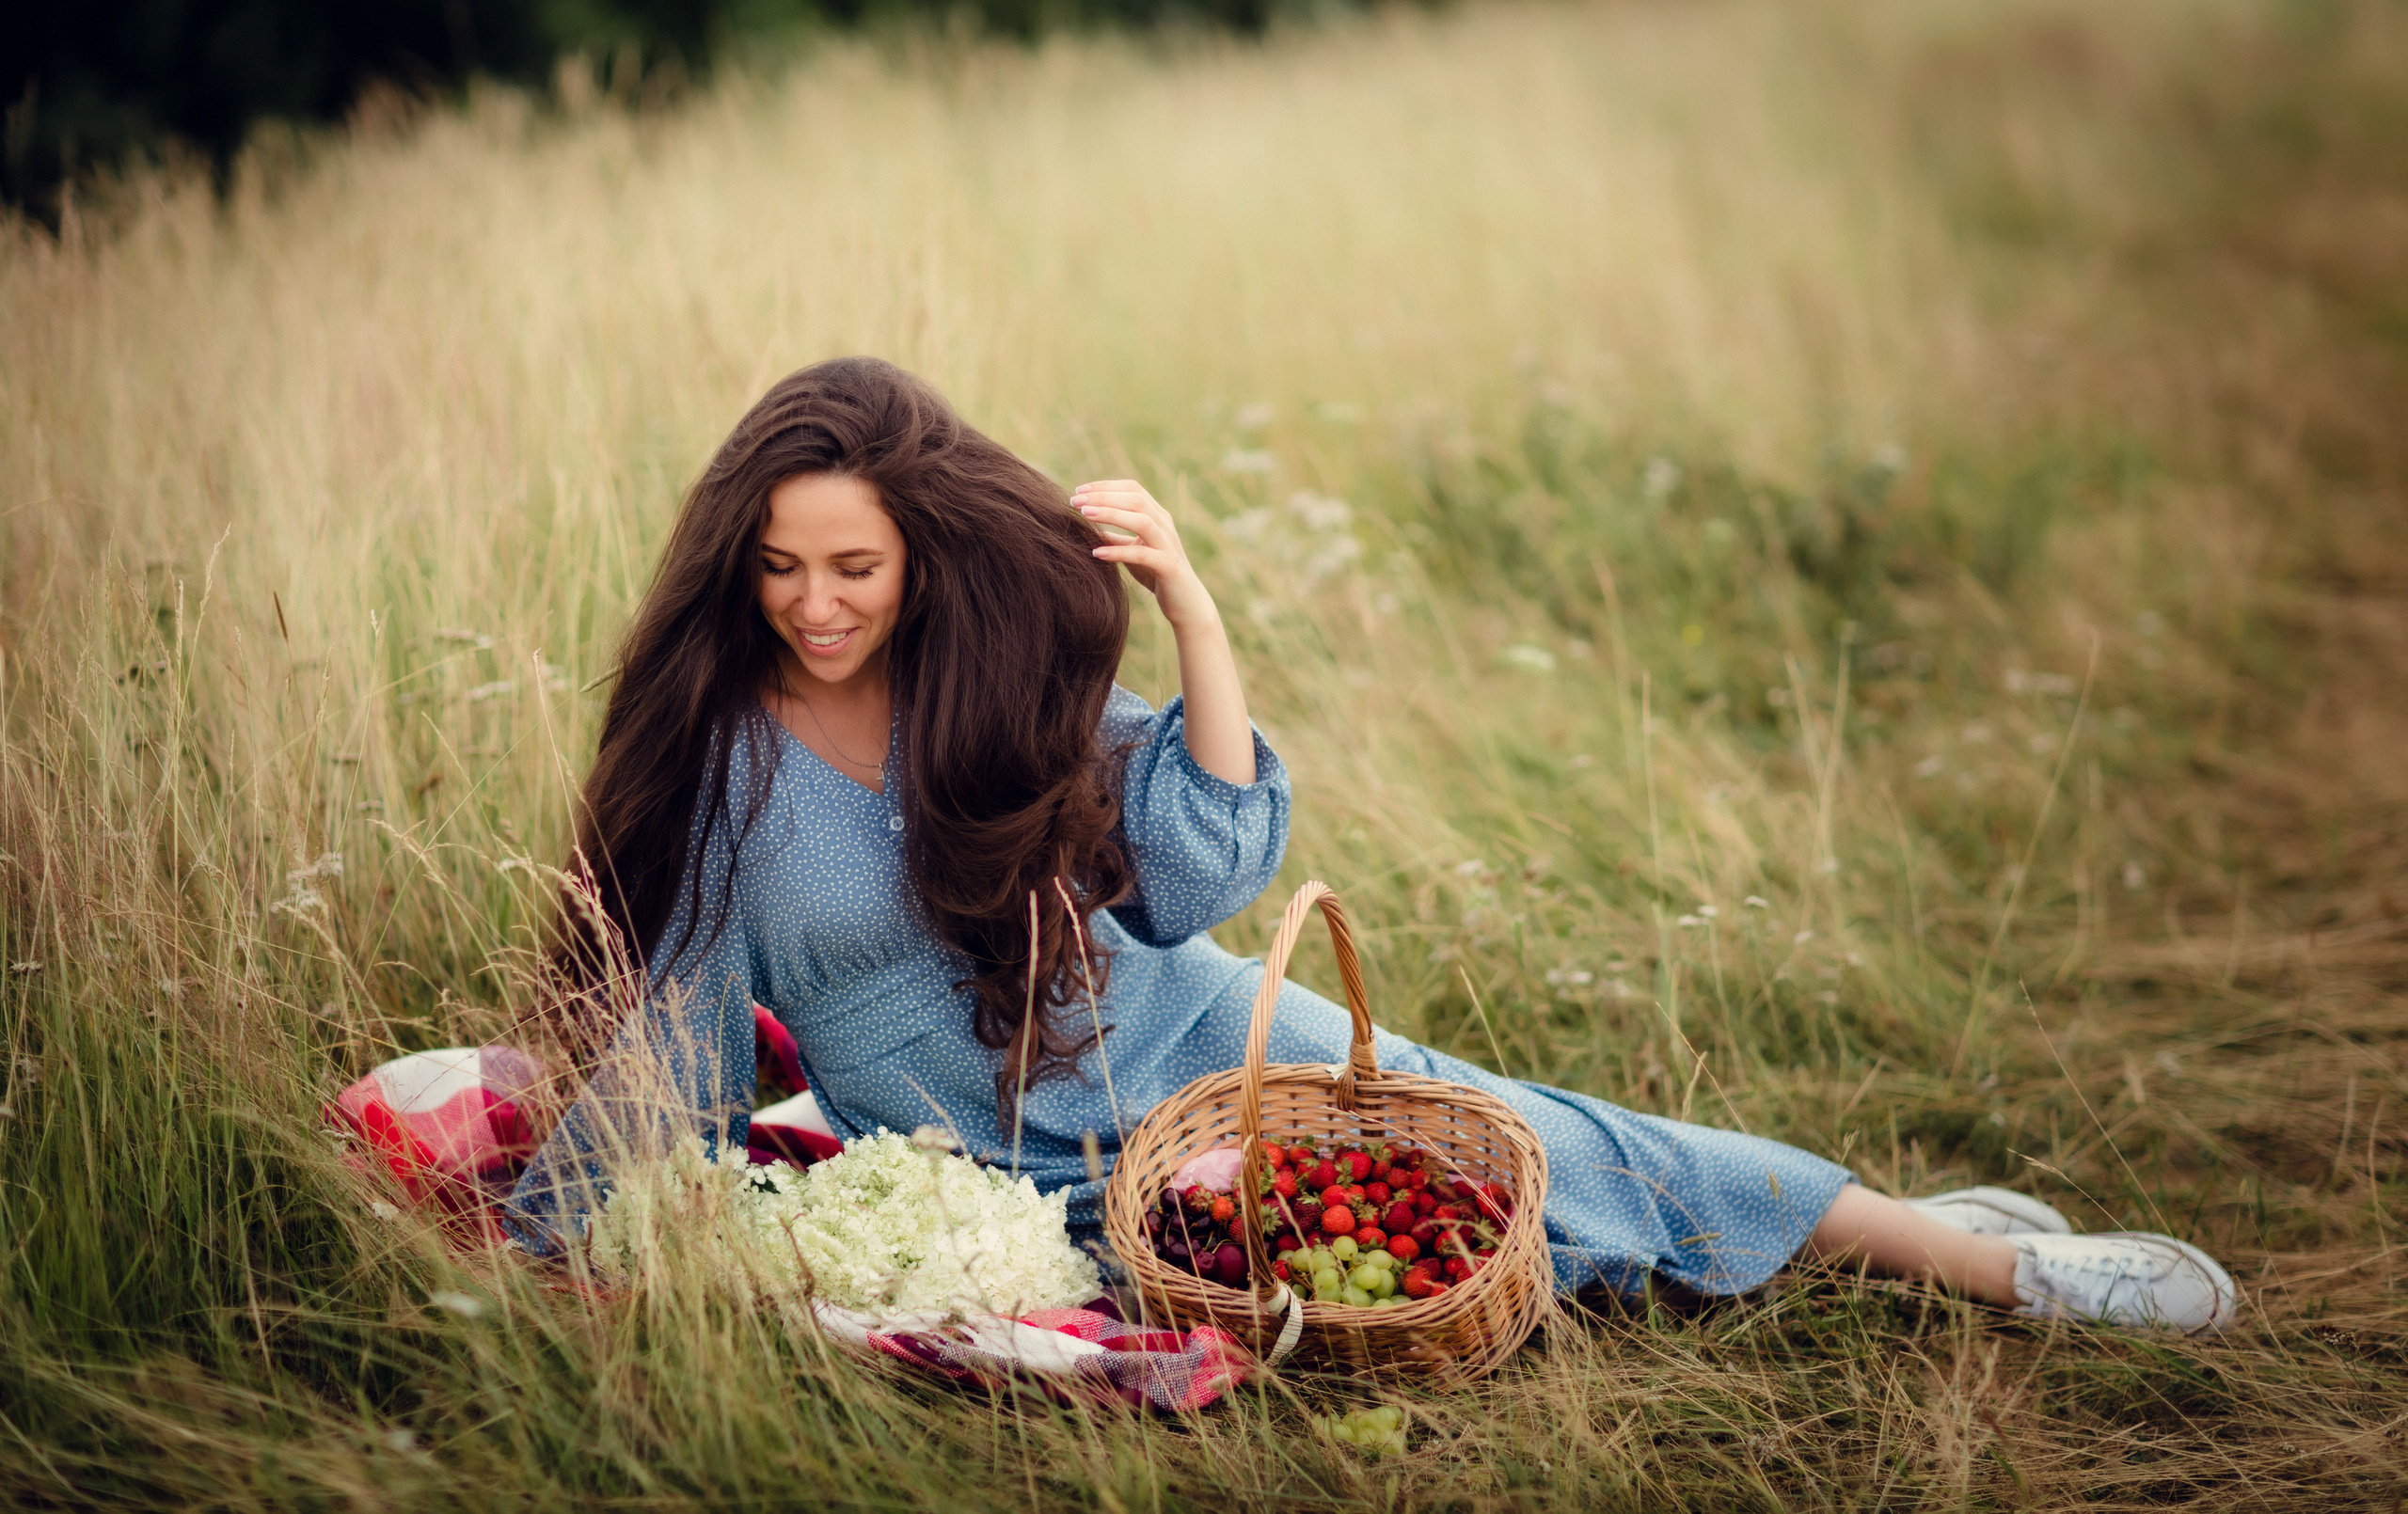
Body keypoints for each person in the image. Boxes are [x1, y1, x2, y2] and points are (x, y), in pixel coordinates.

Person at [505, 356, 2236, 1333]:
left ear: (922, 563)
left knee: (1524, 1137)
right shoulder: (726, 767)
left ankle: (1991, 1264)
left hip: (1196, 1038)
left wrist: (1189, 600)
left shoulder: (986, 693)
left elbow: (1191, 884)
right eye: (783, 568)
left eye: (856, 569)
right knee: (1408, 1257)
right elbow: (683, 1021)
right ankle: (1867, 1231)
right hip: (1022, 1186)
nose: (815, 604)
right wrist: (546, 1242)